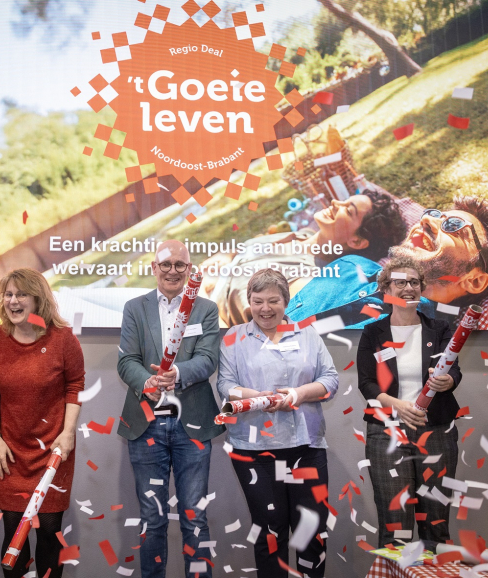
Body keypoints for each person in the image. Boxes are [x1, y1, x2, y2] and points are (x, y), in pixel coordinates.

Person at [218, 268, 338, 578]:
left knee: (311, 533)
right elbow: (225, 385)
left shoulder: (307, 333)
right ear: (249, 301)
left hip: (306, 447)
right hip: (254, 452)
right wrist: (257, 397)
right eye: (258, 301)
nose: (265, 309)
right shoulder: (233, 337)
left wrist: (298, 394)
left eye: (273, 301)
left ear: (286, 301)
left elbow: (330, 380)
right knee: (270, 533)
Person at [117, 240, 223, 578]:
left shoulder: (206, 308)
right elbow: (127, 361)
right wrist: (148, 382)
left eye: (180, 265)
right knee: (152, 518)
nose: (173, 271)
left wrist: (176, 373)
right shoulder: (135, 308)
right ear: (154, 268)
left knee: (195, 517)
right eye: (166, 264)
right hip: (145, 424)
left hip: (192, 424)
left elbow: (207, 359)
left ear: (189, 269)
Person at [0, 268, 84, 578]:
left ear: (38, 299)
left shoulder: (63, 338)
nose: (13, 301)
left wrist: (68, 433)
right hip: (9, 452)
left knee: (49, 531)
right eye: (8, 294)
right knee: (14, 531)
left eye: (21, 294)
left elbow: (75, 386)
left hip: (53, 449)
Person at [356, 257, 461, 548]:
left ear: (421, 288)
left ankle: (433, 567)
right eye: (400, 282)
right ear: (386, 289)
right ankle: (395, 568)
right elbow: (367, 382)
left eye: (414, 282)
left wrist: (448, 381)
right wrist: (397, 405)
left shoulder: (440, 328)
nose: (408, 288)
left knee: (436, 523)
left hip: (436, 431)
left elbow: (454, 370)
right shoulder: (372, 332)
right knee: (395, 527)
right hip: (387, 433)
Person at [202, 187, 406, 326]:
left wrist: (199, 294)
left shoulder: (306, 282)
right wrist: (227, 256)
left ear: (357, 242)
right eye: (344, 200)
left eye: (348, 210)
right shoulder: (302, 235)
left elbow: (229, 336)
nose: (335, 202)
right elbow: (250, 249)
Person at [287, 195, 488, 328]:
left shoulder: (427, 347)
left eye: (453, 226)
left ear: (475, 280)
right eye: (432, 213)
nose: (426, 220)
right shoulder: (351, 265)